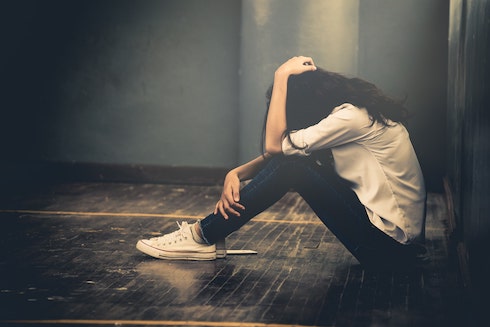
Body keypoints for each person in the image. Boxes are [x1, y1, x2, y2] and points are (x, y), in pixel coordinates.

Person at [136, 56, 427, 271]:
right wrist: (235, 173)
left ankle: (202, 236)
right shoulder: (353, 115)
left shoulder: (350, 117)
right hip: (394, 246)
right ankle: (206, 235)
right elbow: (286, 153)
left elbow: (277, 147)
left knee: (294, 168)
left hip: (390, 250)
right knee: (295, 164)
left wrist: (280, 77)